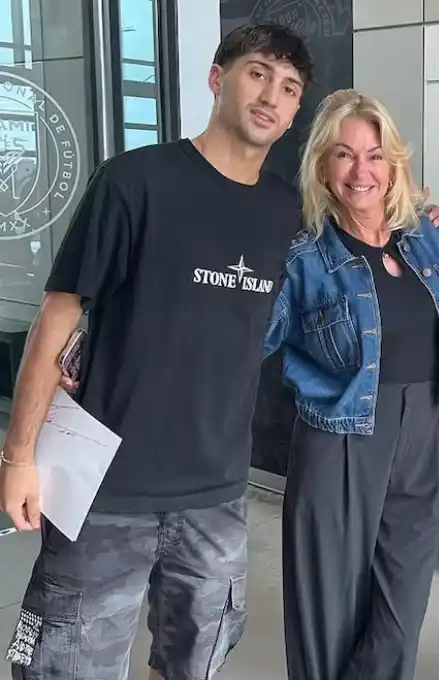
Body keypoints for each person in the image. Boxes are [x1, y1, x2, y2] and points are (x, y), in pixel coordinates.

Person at [0, 23, 313, 680]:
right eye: (258, 73)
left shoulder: (288, 210)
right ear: (217, 77)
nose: (270, 97)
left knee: (190, 666)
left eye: (289, 88)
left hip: (217, 497)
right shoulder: (135, 182)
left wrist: (421, 216)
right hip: (107, 490)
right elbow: (56, 320)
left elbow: (366, 222)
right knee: (68, 670)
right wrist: (19, 457)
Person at [261, 89, 439, 680]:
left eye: (374, 155)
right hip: (340, 438)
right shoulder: (300, 256)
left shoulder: (425, 236)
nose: (361, 171)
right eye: (344, 155)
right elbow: (239, 333)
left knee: (402, 609)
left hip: (424, 432)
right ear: (322, 164)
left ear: (394, 163)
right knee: (328, 615)